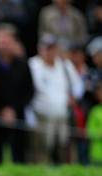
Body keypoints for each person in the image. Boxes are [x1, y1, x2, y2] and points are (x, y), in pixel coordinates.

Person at [28, 34, 83, 163]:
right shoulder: (33, 65)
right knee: (43, 149)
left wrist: (74, 97)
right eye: (46, 48)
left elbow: (78, 85)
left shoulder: (64, 65)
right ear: (40, 49)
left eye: (52, 48)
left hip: (63, 116)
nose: (49, 51)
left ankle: (66, 173)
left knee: (63, 148)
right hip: (42, 116)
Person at [0, 24, 34, 164]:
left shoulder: (23, 65)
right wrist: (1, 110)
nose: (3, 45)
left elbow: (28, 91)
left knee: (19, 152)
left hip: (18, 115)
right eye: (0, 41)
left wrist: (13, 109)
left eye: (6, 41)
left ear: (13, 42)